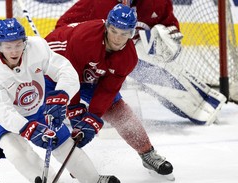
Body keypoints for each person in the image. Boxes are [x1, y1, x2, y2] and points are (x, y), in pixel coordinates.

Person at [0, 18, 121, 183]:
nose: (14, 51)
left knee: (61, 143)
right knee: (16, 149)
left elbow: (65, 70)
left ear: (25, 42)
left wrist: (62, 94)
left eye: (18, 44)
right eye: (7, 46)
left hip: (32, 102)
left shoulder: (37, 48)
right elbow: (3, 111)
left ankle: (92, 178)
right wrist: (27, 128)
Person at [45, 3, 174, 180]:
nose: (117, 38)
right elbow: (69, 77)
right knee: (47, 115)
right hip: (54, 68)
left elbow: (107, 90)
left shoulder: (129, 58)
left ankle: (147, 153)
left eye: (124, 34)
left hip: (86, 72)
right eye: (114, 31)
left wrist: (94, 118)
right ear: (107, 26)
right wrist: (74, 110)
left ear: (131, 34)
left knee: (117, 110)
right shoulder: (85, 40)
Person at [55, 0, 226, 125]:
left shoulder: (156, 2)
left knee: (150, 64)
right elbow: (63, 26)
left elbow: (170, 25)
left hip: (127, 58)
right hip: (98, 60)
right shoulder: (99, 3)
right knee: (142, 65)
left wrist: (171, 39)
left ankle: (202, 102)